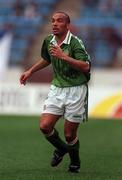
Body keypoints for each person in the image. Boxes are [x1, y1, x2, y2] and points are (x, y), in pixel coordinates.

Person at [20, 11, 91, 173]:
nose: (54, 24)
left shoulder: (75, 43)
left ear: (67, 25)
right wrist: (30, 71)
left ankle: (75, 162)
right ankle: (62, 149)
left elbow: (85, 66)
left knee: (69, 134)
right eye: (52, 21)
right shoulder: (48, 40)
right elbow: (47, 58)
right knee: (45, 126)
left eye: (59, 21)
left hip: (76, 90)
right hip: (57, 88)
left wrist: (64, 57)